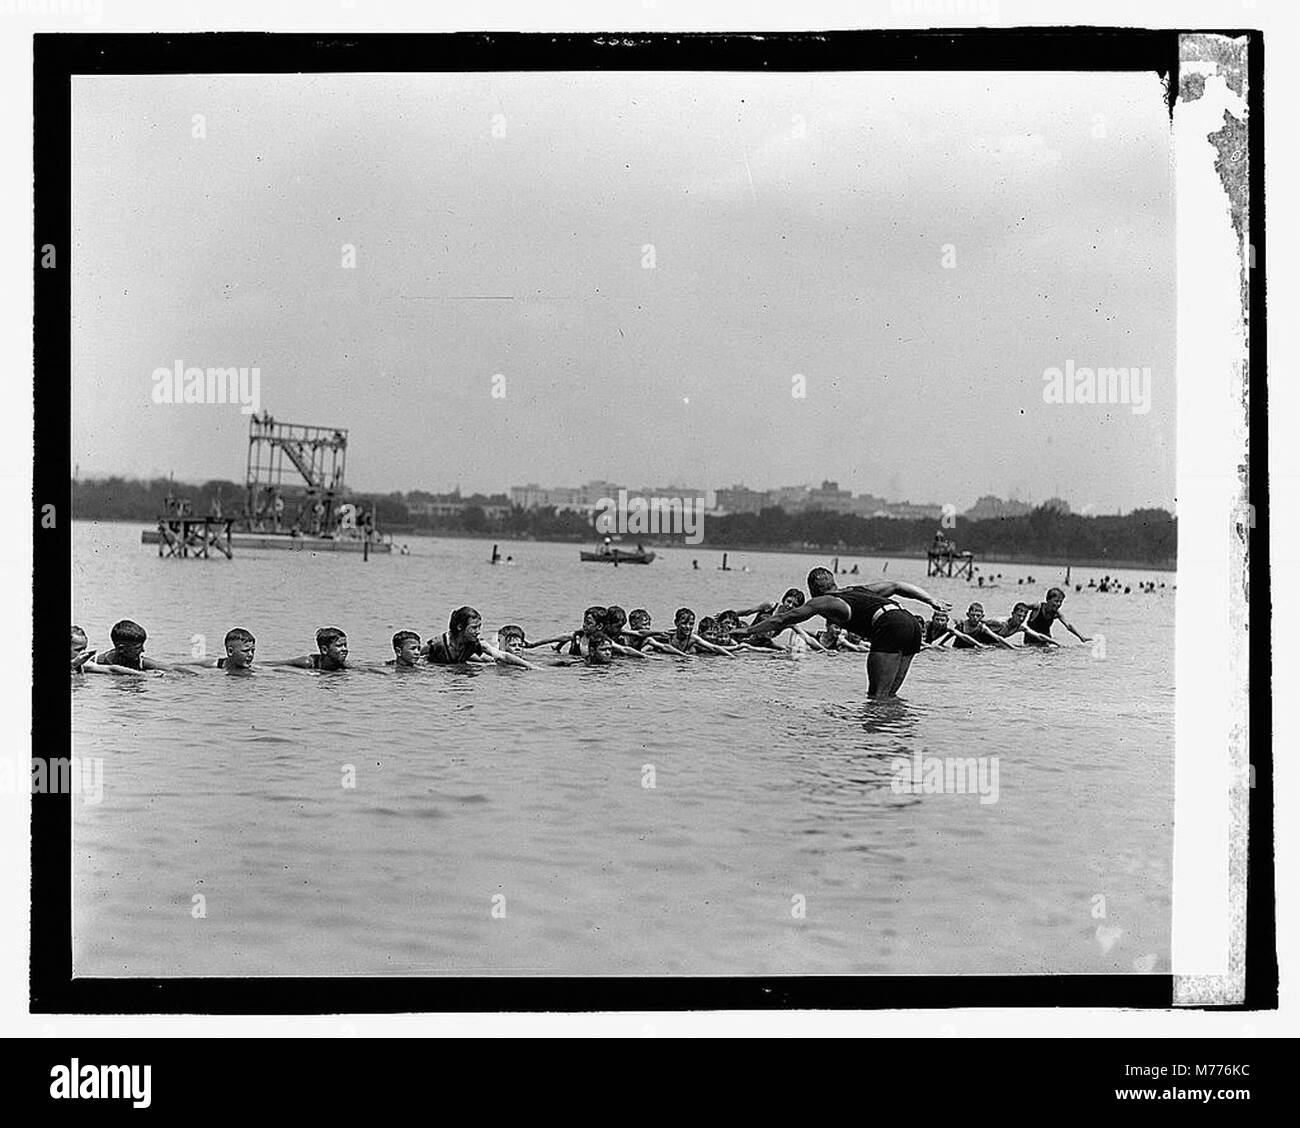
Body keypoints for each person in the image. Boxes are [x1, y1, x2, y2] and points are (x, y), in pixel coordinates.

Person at [735, 568, 949, 697]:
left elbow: (783, 618)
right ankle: (892, 737)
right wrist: (931, 600)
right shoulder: (858, 589)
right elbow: (897, 585)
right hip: (911, 624)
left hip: (890, 625)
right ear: (834, 582)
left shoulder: (823, 601)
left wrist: (748, 629)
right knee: (889, 695)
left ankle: (875, 747)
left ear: (812, 589)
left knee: (876, 697)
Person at [426, 606, 538, 668]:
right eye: (474, 628)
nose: (478, 632)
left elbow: (503, 656)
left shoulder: (477, 644)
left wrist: (532, 667)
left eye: (479, 627)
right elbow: (415, 654)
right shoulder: (437, 644)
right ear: (460, 627)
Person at [91, 619, 195, 673]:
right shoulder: (98, 661)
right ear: (121, 649)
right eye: (137, 648)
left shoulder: (141, 662)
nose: (143, 650)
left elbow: (171, 668)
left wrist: (198, 677)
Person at [71, 625, 154, 676]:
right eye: (78, 650)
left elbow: (112, 669)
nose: (83, 653)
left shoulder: (84, 664)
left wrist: (144, 675)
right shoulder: (77, 663)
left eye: (84, 649)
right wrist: (74, 664)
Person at [1024, 587, 1091, 645]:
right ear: (1048, 600)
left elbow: (1068, 625)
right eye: (1056, 601)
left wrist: (1081, 637)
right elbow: (1021, 607)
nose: (1058, 604)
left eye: (1060, 602)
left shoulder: (1056, 613)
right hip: (1030, 641)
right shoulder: (1037, 607)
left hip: (1045, 641)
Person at [271, 626, 350, 670]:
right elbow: (274, 664)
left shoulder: (342, 665)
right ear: (324, 650)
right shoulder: (307, 663)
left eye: (345, 645)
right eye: (339, 646)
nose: (345, 649)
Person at [983, 603, 1059, 646]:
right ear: (1012, 614)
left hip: (991, 644)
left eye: (1024, 617)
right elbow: (980, 621)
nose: (1021, 619)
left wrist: (1055, 643)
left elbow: (1039, 636)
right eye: (1019, 616)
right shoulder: (999, 623)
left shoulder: (1020, 627)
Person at [184, 627, 258, 670]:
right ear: (230, 651)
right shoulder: (213, 665)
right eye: (245, 651)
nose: (251, 654)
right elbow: (185, 665)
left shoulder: (253, 670)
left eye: (253, 651)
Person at [950, 602, 1015, 649]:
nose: (975, 618)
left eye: (978, 615)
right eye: (973, 615)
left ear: (982, 616)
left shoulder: (982, 627)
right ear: (968, 615)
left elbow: (998, 638)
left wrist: (1013, 648)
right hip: (958, 651)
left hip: (971, 651)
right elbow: (948, 636)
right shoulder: (961, 625)